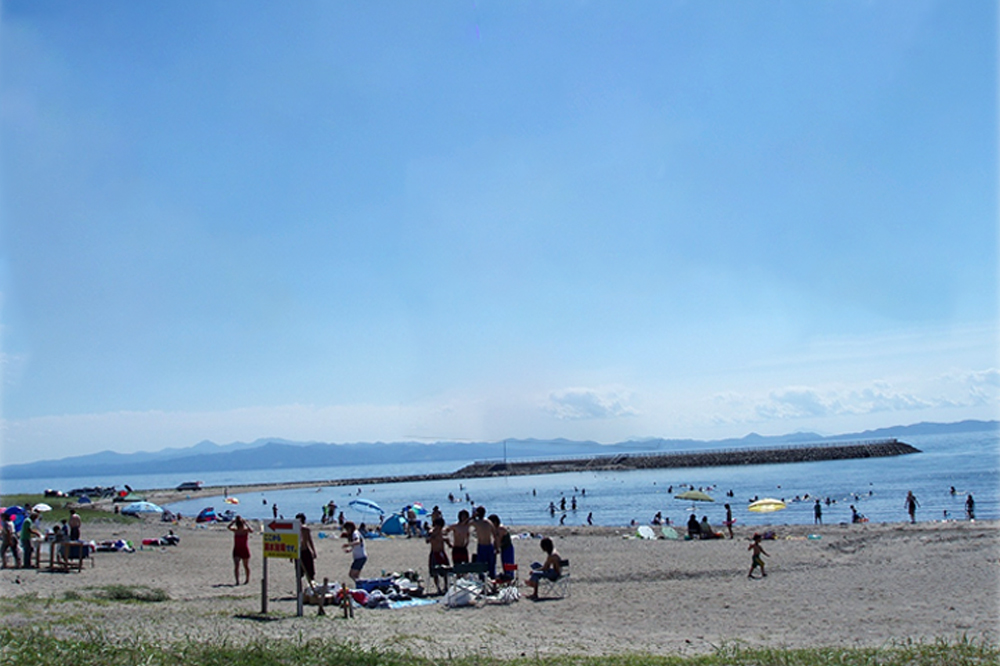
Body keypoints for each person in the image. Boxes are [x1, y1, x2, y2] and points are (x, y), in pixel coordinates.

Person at [425, 516, 450, 594]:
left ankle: (446, 587)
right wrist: (433, 536)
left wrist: (448, 542)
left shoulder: (442, 532)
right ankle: (438, 588)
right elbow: (427, 540)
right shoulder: (432, 532)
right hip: (434, 552)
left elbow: (445, 538)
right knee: (434, 572)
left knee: (446, 570)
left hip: (442, 552)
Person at [471, 506, 497, 578]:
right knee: (486, 566)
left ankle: (489, 581)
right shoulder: (487, 522)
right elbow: (495, 535)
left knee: (487, 566)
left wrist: (473, 516)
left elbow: (466, 522)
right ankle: (487, 581)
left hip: (485, 546)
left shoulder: (479, 522)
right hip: (485, 546)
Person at [489, 514, 515, 580]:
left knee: (508, 563)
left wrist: (497, 548)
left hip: (507, 548)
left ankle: (509, 576)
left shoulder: (500, 529)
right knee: (504, 562)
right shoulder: (495, 529)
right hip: (503, 548)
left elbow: (498, 540)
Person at [228, 515, 252, 585]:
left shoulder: (245, 531)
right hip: (237, 550)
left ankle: (247, 579)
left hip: (244, 549)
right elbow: (228, 527)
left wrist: (246, 523)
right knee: (236, 566)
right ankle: (237, 581)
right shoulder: (236, 531)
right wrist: (233, 522)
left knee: (246, 566)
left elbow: (251, 530)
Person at [341, 521, 367, 586]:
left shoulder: (355, 533)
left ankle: (361, 584)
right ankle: (360, 585)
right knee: (356, 575)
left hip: (360, 557)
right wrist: (350, 550)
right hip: (360, 557)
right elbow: (356, 546)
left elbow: (357, 542)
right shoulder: (355, 533)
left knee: (352, 574)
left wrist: (348, 544)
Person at [296, 513, 317, 589]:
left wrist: (313, 551)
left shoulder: (305, 529)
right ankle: (301, 589)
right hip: (300, 551)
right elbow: (309, 541)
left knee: (309, 572)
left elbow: (309, 541)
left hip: (304, 551)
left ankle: (311, 588)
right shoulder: (298, 529)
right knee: (301, 573)